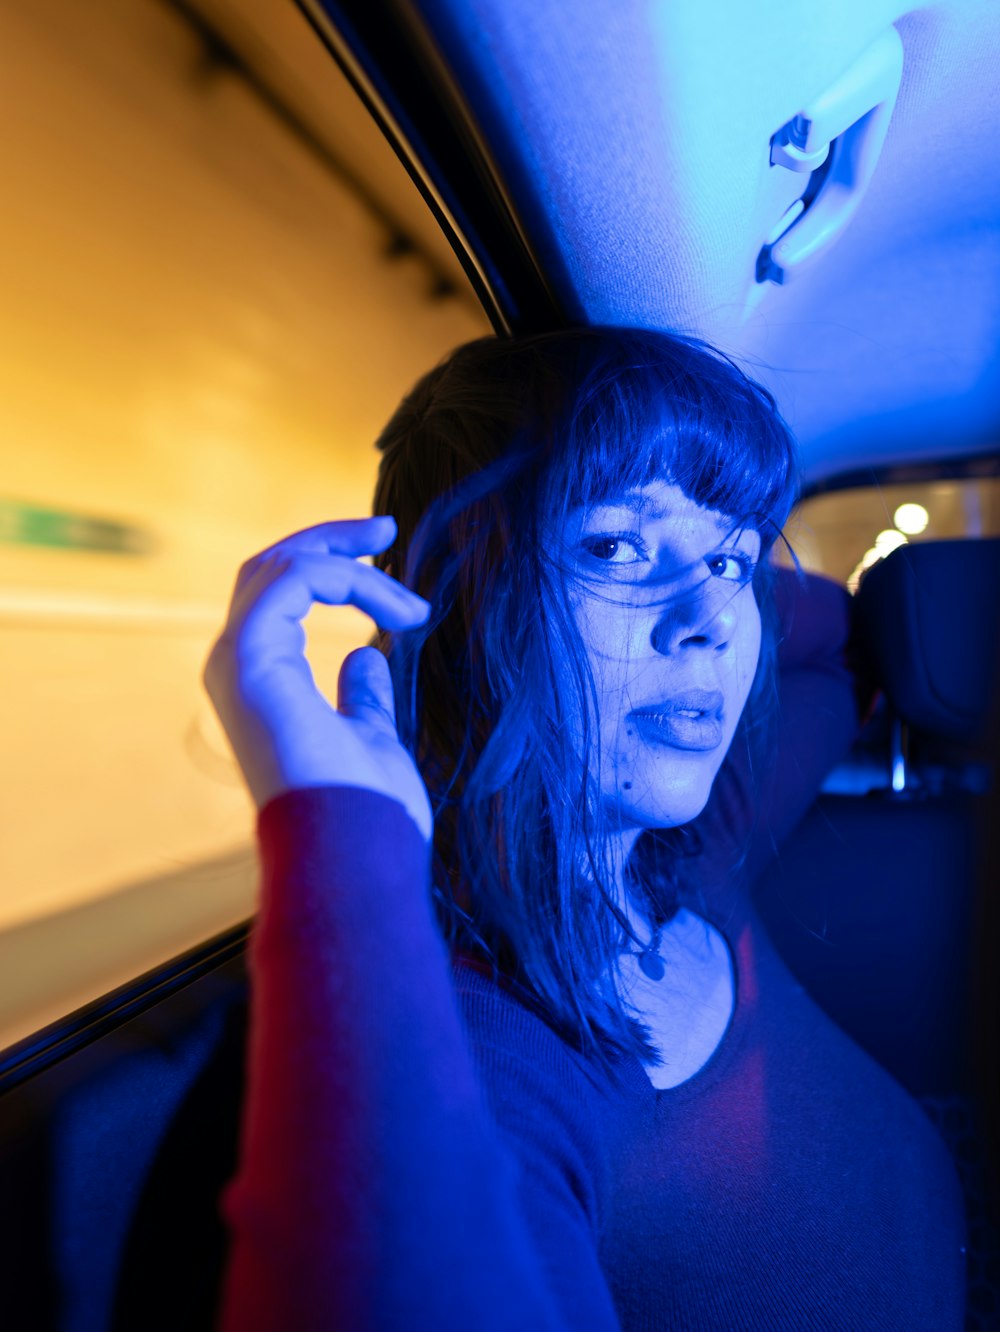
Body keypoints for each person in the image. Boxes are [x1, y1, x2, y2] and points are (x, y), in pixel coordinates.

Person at [204, 328, 967, 1330]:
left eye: (734, 560)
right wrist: (343, 836)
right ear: (466, 601)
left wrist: (694, 555)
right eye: (614, 544)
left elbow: (825, 647)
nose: (714, 618)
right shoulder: (487, 1055)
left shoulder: (688, 855)